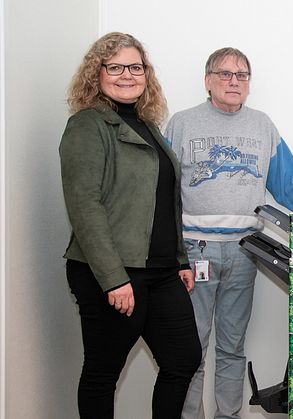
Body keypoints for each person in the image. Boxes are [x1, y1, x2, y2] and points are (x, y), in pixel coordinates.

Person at [165, 47, 293, 419]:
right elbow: (163, 190)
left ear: (249, 84)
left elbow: (286, 185)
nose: (233, 81)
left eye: (242, 75)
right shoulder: (182, 124)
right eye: (224, 74)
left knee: (232, 348)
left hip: (242, 253)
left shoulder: (263, 126)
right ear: (207, 81)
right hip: (193, 253)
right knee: (191, 350)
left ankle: (228, 416)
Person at [59, 32, 201, 419]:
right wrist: (113, 279)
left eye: (135, 67)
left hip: (161, 271)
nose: (127, 75)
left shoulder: (147, 124)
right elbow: (84, 207)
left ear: (146, 74)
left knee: (184, 359)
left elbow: (165, 198)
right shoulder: (89, 126)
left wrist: (180, 259)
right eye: (116, 67)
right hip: (112, 273)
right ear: (98, 72)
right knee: (103, 373)